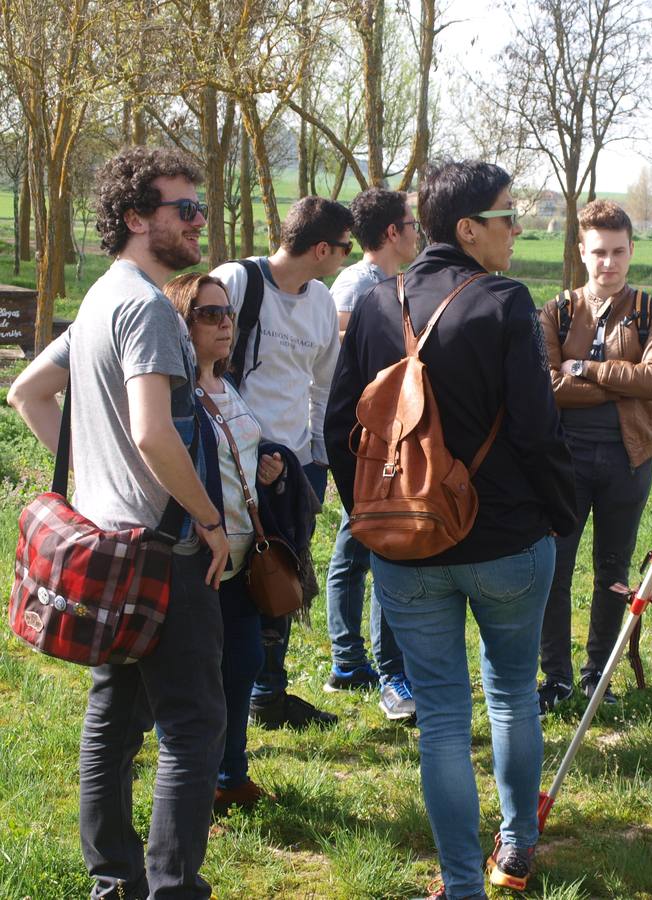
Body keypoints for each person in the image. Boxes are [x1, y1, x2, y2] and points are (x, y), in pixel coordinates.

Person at [325, 160, 575, 900]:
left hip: (404, 544)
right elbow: (537, 429)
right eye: (506, 216)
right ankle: (519, 848)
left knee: (439, 717)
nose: (516, 229)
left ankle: (463, 885)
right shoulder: (504, 302)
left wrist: (366, 516)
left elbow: (341, 424)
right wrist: (560, 516)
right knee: (512, 697)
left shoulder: (375, 304)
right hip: (506, 542)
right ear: (468, 229)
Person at [7, 146, 229, 899]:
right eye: (185, 209)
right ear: (137, 218)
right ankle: (173, 890)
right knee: (192, 728)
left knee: (114, 719)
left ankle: (114, 886)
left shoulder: (104, 297)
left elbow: (29, 394)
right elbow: (153, 432)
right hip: (162, 553)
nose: (200, 222)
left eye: (200, 208)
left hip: (106, 546)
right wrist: (209, 521)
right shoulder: (144, 307)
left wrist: (92, 479)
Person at [210, 196, 354, 730]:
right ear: (321, 248)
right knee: (226, 584)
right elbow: (203, 371)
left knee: (281, 579)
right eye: (344, 247)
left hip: (294, 469)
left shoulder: (319, 300)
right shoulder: (237, 281)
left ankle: (268, 696)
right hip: (232, 466)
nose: (346, 256)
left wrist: (313, 460)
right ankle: (211, 698)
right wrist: (251, 452)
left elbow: (324, 385)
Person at [535, 199, 652, 713]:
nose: (608, 263)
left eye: (618, 252)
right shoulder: (557, 310)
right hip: (564, 461)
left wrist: (587, 369)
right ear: (581, 251)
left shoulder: (650, 311)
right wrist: (621, 381)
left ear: (632, 250)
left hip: (628, 458)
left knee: (612, 569)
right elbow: (547, 386)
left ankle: (600, 674)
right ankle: (556, 677)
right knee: (556, 568)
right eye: (599, 252)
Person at [163, 273, 284, 814]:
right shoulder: (177, 396)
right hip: (199, 556)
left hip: (240, 556)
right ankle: (195, 785)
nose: (225, 323)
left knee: (244, 661)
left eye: (228, 313)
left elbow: (237, 453)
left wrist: (265, 467)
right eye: (209, 315)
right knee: (197, 681)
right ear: (181, 323)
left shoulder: (227, 383)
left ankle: (231, 773)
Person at [323, 187, 421, 721]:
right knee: (356, 550)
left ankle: (372, 665)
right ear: (392, 233)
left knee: (367, 548)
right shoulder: (357, 286)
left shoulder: (394, 284)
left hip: (389, 441)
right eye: (410, 223)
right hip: (365, 446)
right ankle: (356, 662)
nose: (416, 233)